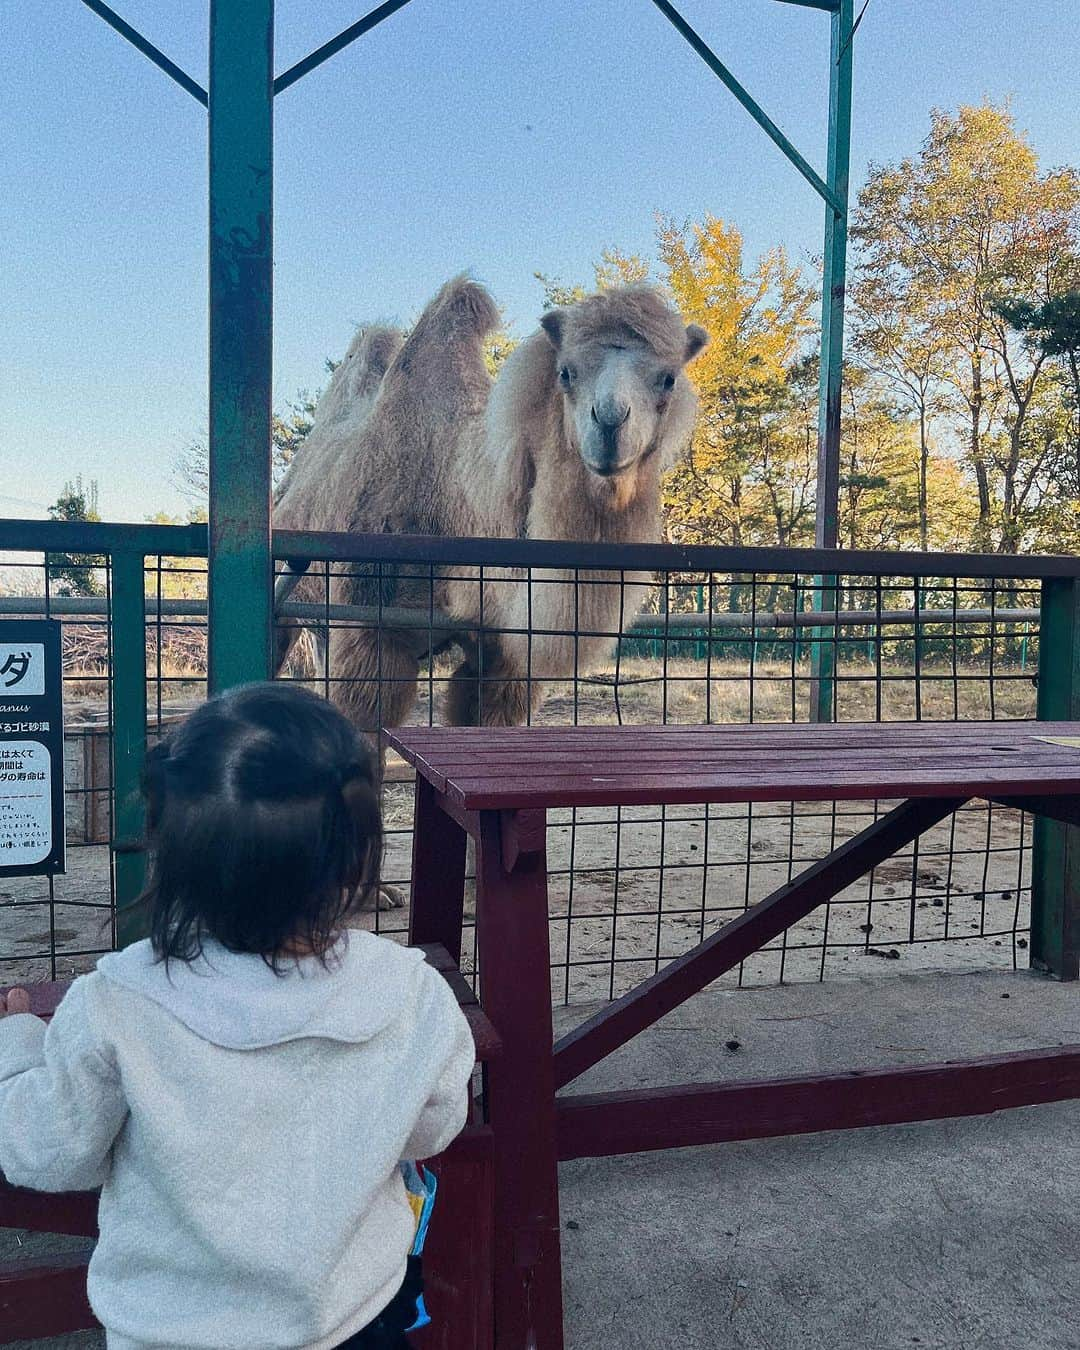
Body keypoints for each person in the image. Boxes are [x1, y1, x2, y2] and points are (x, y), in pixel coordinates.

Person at [0, 682, 476, 1350]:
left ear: (173, 850)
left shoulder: (116, 1005)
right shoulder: (409, 992)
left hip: (174, 1335)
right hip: (354, 1321)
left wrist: (17, 1043)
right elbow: (435, 1126)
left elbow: (50, 1150)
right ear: (354, 853)